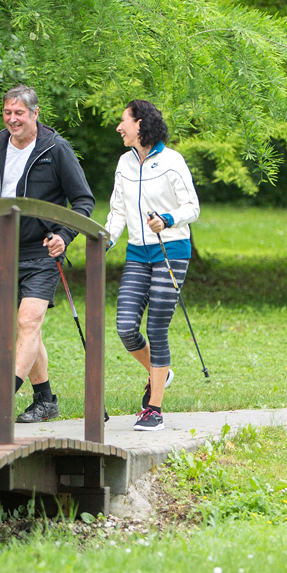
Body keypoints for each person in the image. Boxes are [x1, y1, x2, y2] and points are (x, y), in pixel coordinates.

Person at [0, 85, 95, 423]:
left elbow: (83, 201)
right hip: (7, 249)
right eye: (7, 112)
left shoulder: (55, 148)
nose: (12, 119)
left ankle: (4, 394)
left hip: (42, 249)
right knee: (28, 330)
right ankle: (45, 401)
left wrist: (64, 236)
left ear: (35, 113)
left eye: (19, 113)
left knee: (28, 321)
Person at [103, 99, 200, 431]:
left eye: (124, 121)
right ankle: (161, 372)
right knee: (125, 327)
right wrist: (106, 240)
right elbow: (118, 210)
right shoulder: (124, 163)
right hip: (137, 253)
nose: (119, 127)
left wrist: (168, 219)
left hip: (171, 250)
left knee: (157, 328)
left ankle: (154, 410)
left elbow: (192, 207)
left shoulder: (172, 161)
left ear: (140, 124)